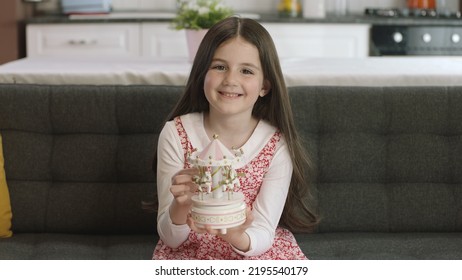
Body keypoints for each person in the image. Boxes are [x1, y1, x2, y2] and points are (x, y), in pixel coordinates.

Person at [153, 16, 318, 260]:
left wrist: (234, 235)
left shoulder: (275, 144)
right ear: (202, 75)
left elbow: (262, 231)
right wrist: (181, 205)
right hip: (188, 255)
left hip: (251, 250)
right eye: (219, 66)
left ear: (265, 86)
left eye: (247, 71)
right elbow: (170, 237)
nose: (231, 80)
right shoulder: (176, 134)